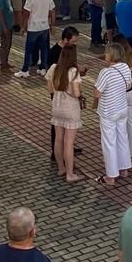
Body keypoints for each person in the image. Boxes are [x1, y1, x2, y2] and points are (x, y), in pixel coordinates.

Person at [93, 42, 132, 184]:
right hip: (122, 108)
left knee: (109, 143)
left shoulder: (105, 72)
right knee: (123, 138)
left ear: (111, 55)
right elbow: (128, 85)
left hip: (108, 112)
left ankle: (111, 176)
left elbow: (97, 93)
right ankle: (124, 169)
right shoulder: (126, 68)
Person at [46, 44, 85, 183]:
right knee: (69, 143)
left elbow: (50, 89)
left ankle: (61, 168)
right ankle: (70, 174)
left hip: (57, 107)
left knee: (58, 139)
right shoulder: (73, 71)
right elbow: (76, 93)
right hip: (71, 109)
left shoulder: (53, 68)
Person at [17, 0, 55, 76]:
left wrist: (23, 27)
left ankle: (25, 70)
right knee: (44, 48)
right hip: (44, 26)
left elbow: (26, 14)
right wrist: (52, 25)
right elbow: (52, 11)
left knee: (29, 49)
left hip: (33, 27)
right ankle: (43, 68)